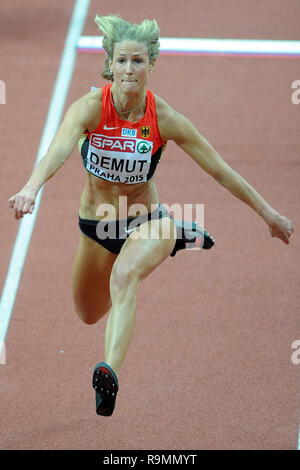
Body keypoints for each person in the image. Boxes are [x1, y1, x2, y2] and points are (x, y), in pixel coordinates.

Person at [8, 15, 293, 417]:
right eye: (122, 61)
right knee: (88, 313)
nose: (129, 70)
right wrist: (30, 188)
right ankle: (180, 238)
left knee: (125, 277)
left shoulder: (165, 119)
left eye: (138, 62)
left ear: (151, 66)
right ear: (110, 63)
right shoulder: (90, 108)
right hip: (97, 226)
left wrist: (269, 214)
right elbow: (56, 150)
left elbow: (220, 170)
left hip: (147, 221)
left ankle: (109, 373)